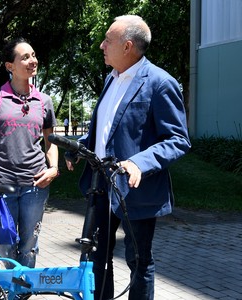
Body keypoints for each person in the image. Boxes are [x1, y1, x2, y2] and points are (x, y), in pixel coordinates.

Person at [66, 15, 191, 300]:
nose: (101, 45)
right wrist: (80, 146)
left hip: (137, 190)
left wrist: (138, 162)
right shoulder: (111, 79)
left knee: (139, 262)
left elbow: (178, 140)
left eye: (108, 40)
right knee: (96, 258)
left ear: (127, 46)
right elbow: (107, 131)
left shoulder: (160, 83)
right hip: (100, 187)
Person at [0, 37, 59, 268]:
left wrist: (53, 169)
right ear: (10, 66)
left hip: (35, 185)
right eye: (25, 57)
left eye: (33, 55)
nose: (33, 61)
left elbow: (51, 141)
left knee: (29, 245)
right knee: (7, 246)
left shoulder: (45, 101)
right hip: (3, 186)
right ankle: (12, 291)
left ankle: (22, 292)